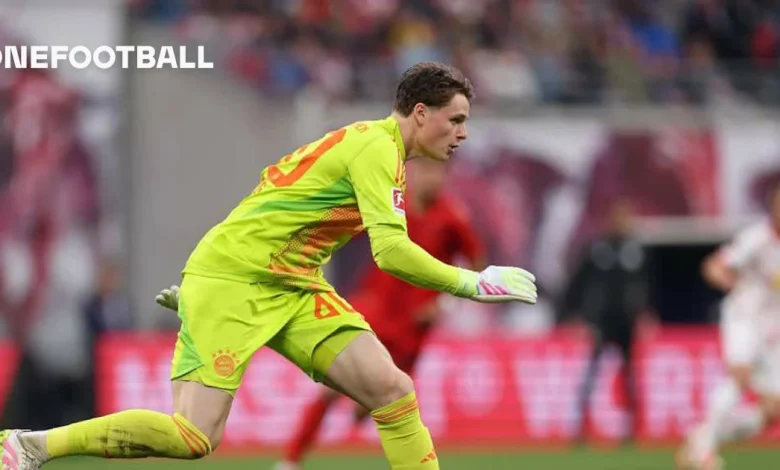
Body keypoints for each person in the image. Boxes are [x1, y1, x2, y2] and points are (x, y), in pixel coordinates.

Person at [0, 62, 537, 470]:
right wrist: (474, 283)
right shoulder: (376, 149)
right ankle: (31, 446)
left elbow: (272, 199)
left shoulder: (374, 148)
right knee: (194, 437)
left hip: (291, 283)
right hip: (236, 281)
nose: (463, 133)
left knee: (392, 389)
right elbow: (391, 252)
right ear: (421, 113)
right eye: (456, 119)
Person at [274, 158, 485, 469]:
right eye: (425, 170)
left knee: (387, 401)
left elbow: (477, 265)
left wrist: (445, 304)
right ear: (412, 172)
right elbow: (348, 230)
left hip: (412, 330)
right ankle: (290, 462)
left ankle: (366, 415)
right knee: (331, 389)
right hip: (371, 312)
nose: (431, 178)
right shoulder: (392, 206)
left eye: (438, 171)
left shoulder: (452, 218)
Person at [676, 184, 780, 470]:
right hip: (744, 318)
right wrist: (726, 279)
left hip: (773, 330)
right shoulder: (756, 239)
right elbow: (713, 265)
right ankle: (704, 453)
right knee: (739, 376)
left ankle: (701, 438)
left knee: (772, 410)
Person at [561, 198, 652, 444]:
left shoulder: (637, 251)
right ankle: (579, 429)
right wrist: (577, 314)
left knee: (629, 376)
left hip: (626, 321)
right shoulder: (597, 249)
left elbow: (647, 284)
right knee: (592, 374)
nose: (623, 223)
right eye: (619, 218)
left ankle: (631, 430)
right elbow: (579, 283)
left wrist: (645, 312)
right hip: (601, 320)